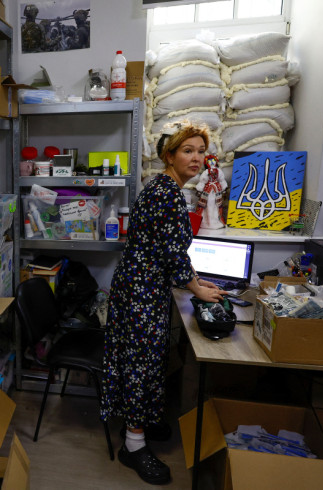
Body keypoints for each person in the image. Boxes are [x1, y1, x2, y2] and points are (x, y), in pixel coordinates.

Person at [101, 121, 228, 485]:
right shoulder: (165, 193)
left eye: (201, 151)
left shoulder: (166, 189)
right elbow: (172, 251)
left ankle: (140, 424)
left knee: (148, 359)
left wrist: (194, 279)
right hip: (140, 292)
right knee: (141, 362)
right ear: (169, 156)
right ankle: (133, 446)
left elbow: (169, 249)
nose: (197, 157)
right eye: (188, 150)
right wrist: (196, 288)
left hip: (143, 289)